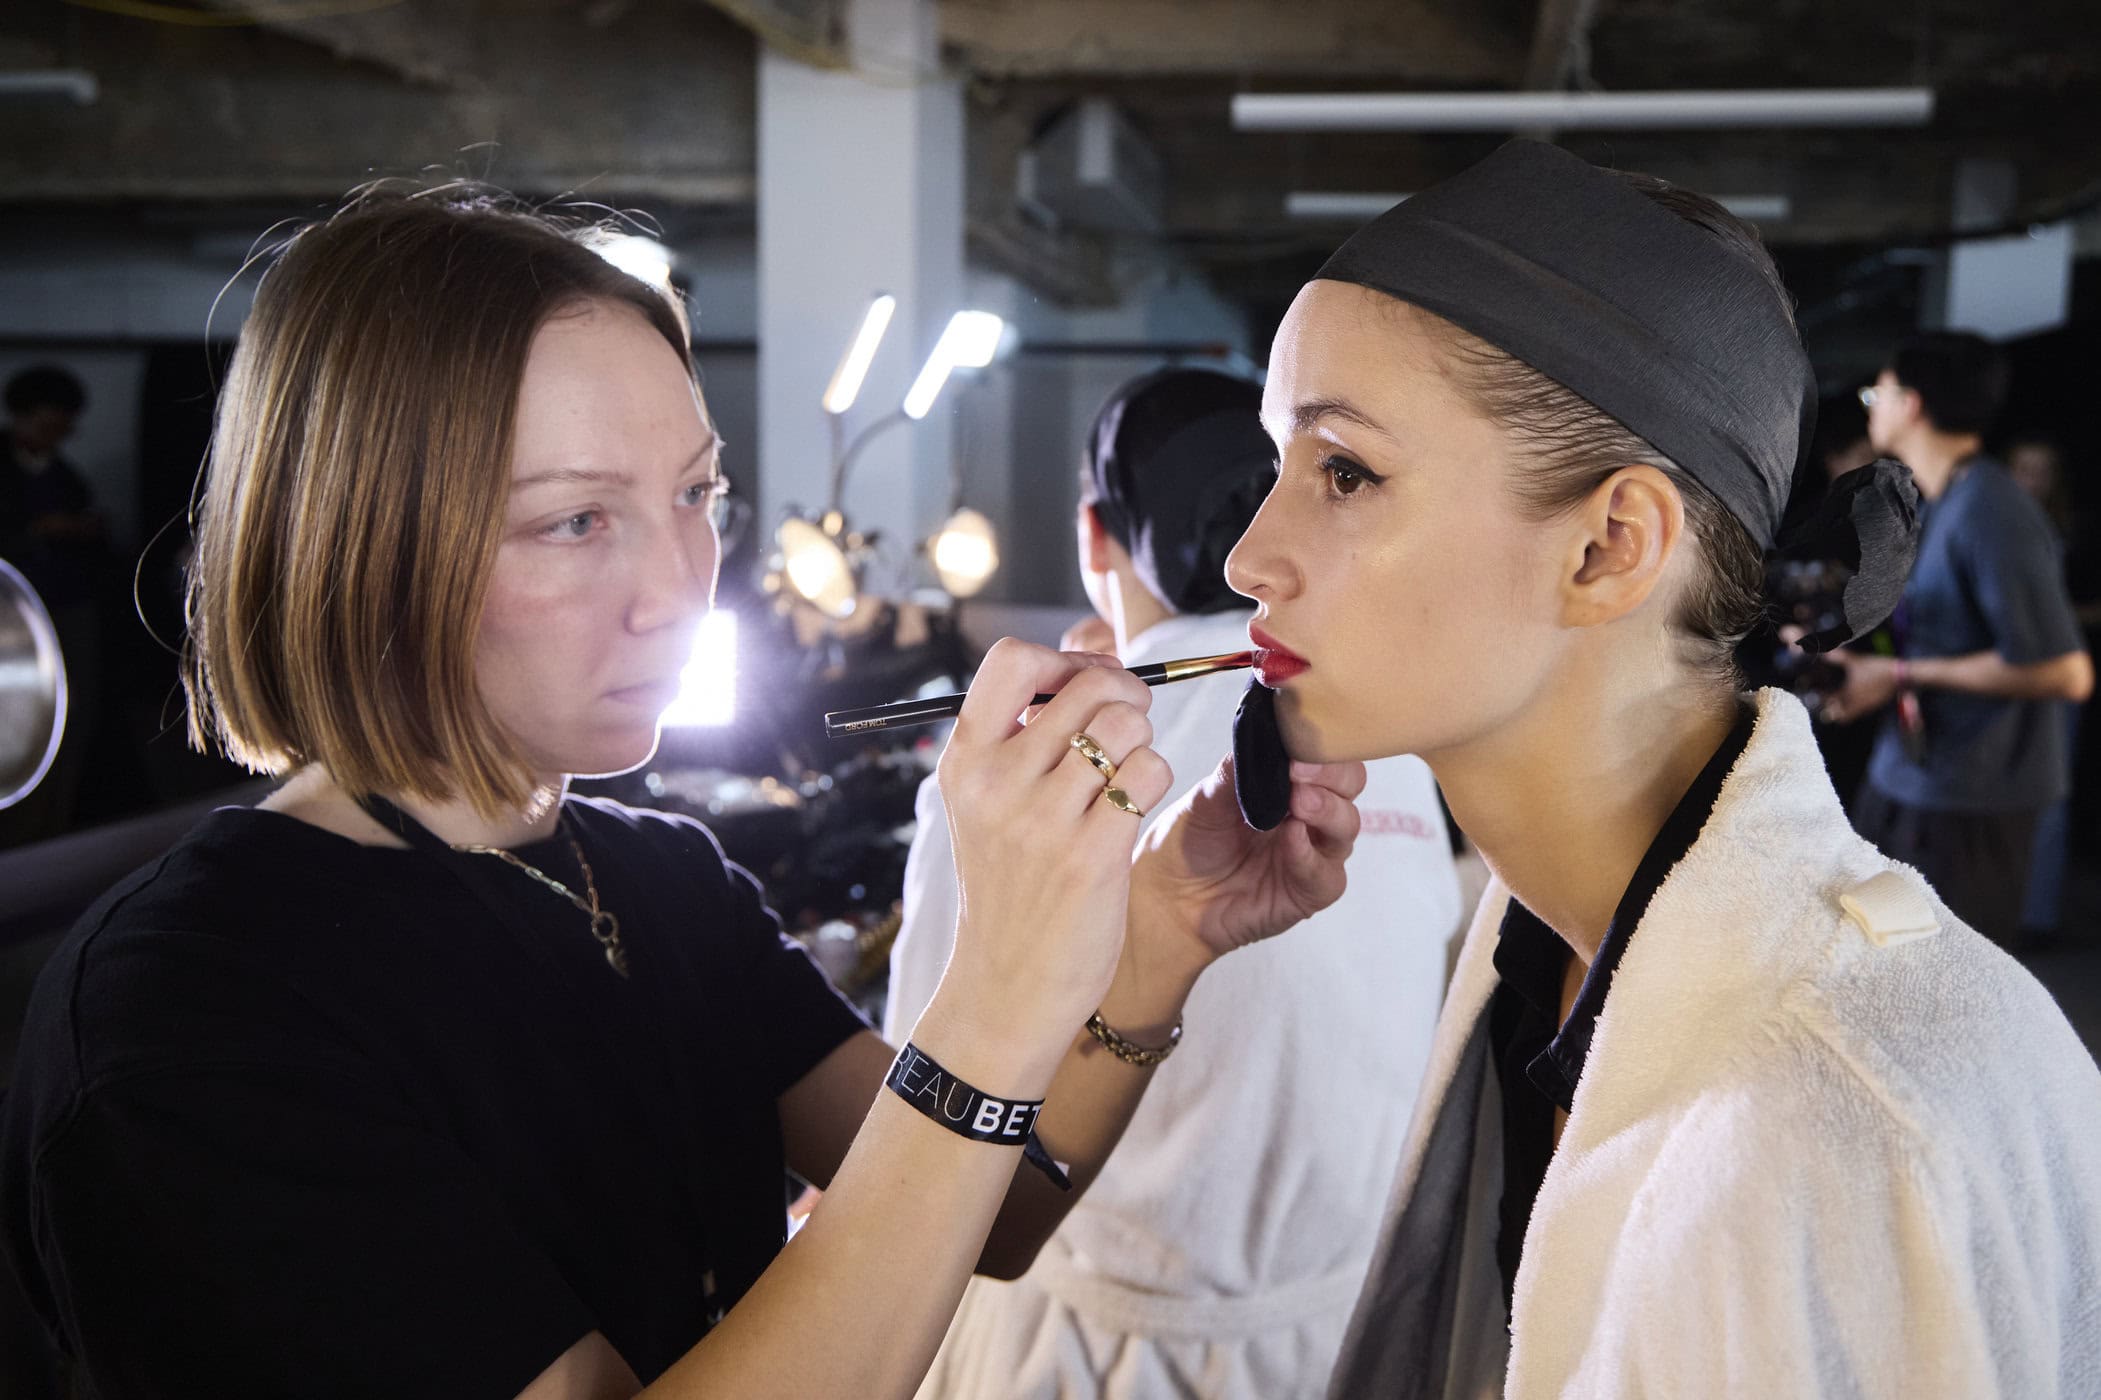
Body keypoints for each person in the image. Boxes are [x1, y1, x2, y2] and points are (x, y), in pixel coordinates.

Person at [0, 185, 1371, 1400]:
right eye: (575, 520)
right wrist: (1000, 980)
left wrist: (1159, 936)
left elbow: (994, 1209)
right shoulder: (189, 1007)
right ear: (367, 545)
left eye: (697, 496)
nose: (679, 587)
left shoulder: (659, 877)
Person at [1217, 140, 2100, 1397]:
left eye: (1344, 471)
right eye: (1280, 466)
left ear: (1609, 547)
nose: (1248, 557)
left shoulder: (1827, 1125)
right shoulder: (1537, 944)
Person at [888, 368, 1461, 1398]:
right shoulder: (1396, 739)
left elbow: (916, 1102)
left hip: (1080, 1352)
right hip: (1343, 1339)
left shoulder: (1026, 761)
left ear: (1092, 534)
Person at [1824, 334, 2093, 948]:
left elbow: (2065, 672)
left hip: (1972, 796)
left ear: (1912, 403)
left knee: (1941, 970)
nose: (1872, 408)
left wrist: (1898, 676)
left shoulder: (1992, 510)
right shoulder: (1942, 500)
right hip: (1914, 773)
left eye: (1877, 394)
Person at [0, 365, 108, 840]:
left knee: (69, 717)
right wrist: (36, 532)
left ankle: (47, 830)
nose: (56, 435)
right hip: (11, 616)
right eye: (48, 424)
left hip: (67, 608)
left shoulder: (67, 478)